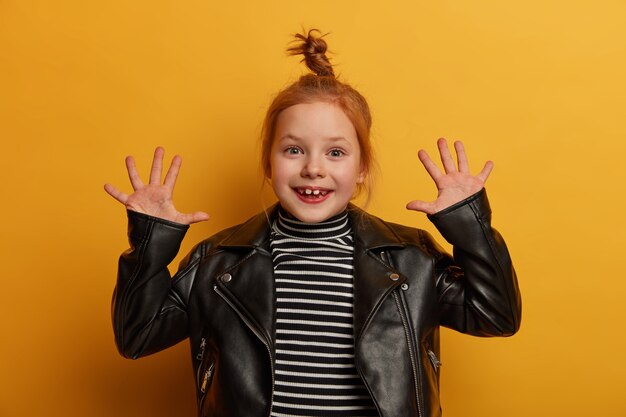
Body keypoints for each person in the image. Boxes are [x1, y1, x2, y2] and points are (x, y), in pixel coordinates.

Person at [105, 29, 521, 417]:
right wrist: (150, 245)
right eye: (293, 150)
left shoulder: (412, 258)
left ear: (362, 168)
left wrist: (469, 226)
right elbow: (137, 336)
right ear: (269, 163)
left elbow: (496, 316)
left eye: (336, 153)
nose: (313, 169)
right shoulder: (217, 262)